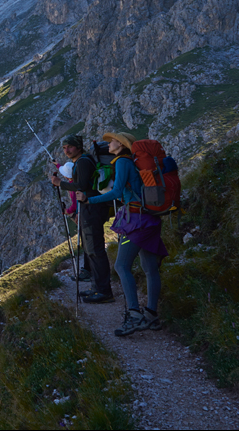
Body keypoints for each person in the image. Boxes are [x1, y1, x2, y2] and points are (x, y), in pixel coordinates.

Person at [86, 132, 168, 336]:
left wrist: (90, 200)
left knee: (121, 265)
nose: (108, 143)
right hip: (149, 218)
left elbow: (116, 192)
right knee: (149, 268)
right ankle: (151, 315)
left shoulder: (122, 162)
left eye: (112, 141)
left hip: (136, 221)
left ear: (121, 145)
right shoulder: (130, 161)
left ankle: (134, 315)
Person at [50, 135, 113, 303]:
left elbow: (82, 186)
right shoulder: (82, 162)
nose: (66, 150)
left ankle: (104, 291)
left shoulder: (84, 162)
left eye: (70, 147)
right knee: (91, 249)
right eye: (64, 148)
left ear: (78, 147)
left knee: (95, 249)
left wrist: (59, 183)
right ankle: (97, 287)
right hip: (89, 208)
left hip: (91, 208)